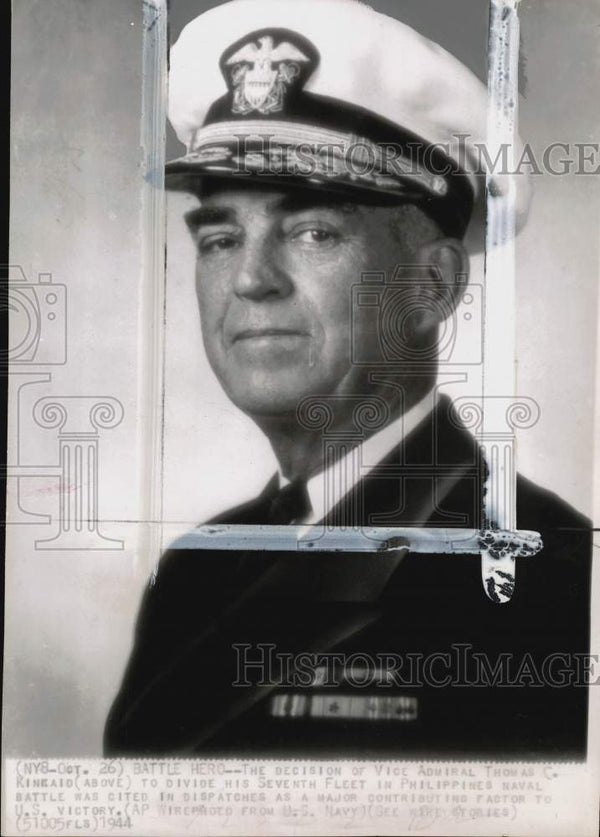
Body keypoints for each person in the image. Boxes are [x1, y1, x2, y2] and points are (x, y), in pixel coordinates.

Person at [105, 0, 591, 757]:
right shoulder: (197, 567)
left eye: (313, 232)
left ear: (433, 283)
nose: (252, 280)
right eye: (222, 238)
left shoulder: (551, 574)